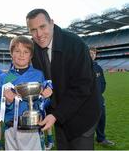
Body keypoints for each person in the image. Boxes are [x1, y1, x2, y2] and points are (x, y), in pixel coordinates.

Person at [26, 8, 101, 150]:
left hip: (82, 116)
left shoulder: (75, 44)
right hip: (59, 117)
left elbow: (82, 87)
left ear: (52, 23)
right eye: (33, 30)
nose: (39, 34)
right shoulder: (34, 48)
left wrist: (56, 115)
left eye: (42, 27)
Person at [0, 35, 53, 150]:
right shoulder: (3, 78)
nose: (21, 55)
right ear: (11, 53)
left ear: (31, 55)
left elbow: (43, 104)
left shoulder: (38, 74)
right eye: (17, 51)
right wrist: (7, 102)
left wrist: (46, 97)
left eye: (26, 52)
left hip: (34, 128)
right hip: (12, 128)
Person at [89, 47, 115, 146]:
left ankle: (101, 138)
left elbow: (103, 83)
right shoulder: (82, 67)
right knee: (88, 121)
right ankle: (85, 140)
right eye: (90, 53)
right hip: (88, 100)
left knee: (101, 118)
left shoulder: (98, 67)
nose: (92, 55)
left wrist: (99, 94)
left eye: (94, 53)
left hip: (99, 98)